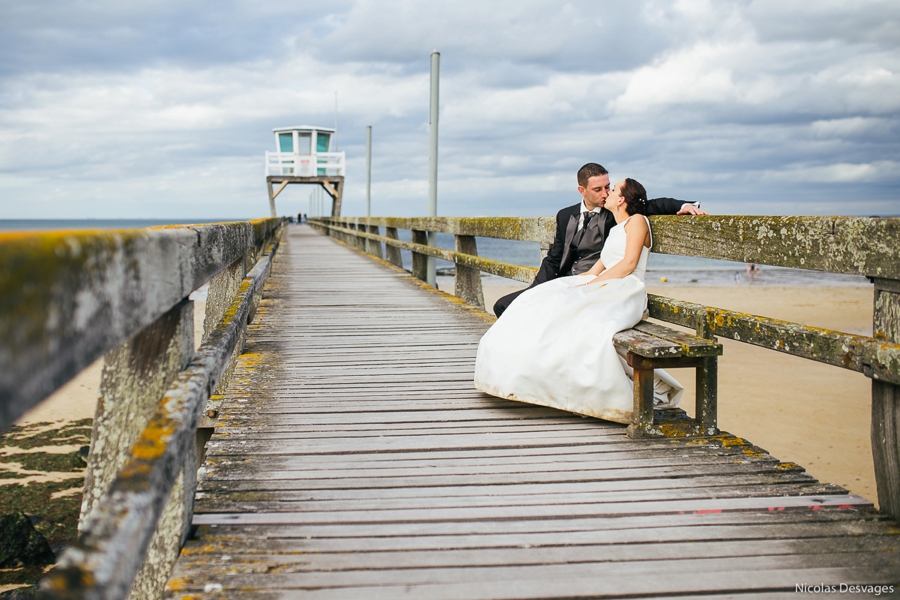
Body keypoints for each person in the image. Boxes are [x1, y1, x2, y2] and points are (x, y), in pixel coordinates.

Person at [474, 178, 682, 424]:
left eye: (613, 189)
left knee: (578, 320)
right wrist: (572, 285)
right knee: (537, 302)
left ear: (622, 199)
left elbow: (628, 264)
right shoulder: (616, 228)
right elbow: (596, 269)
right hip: (606, 282)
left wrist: (594, 285)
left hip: (624, 288)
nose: (608, 192)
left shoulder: (637, 221)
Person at [493, 163, 706, 317]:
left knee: (539, 315)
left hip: (596, 286)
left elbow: (649, 205)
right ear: (582, 190)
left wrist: (683, 205)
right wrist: (536, 289)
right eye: (598, 189)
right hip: (569, 280)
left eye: (608, 187)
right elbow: (554, 258)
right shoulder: (565, 215)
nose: (605, 193)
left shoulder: (617, 214)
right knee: (504, 306)